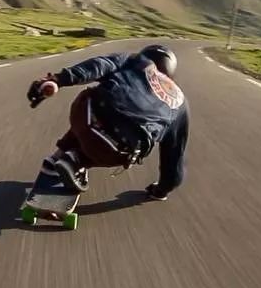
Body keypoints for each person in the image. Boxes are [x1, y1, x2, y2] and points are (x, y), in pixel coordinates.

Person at [26, 44, 190, 200]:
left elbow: (98, 65)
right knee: (128, 144)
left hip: (87, 117)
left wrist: (58, 80)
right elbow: (174, 159)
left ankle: (61, 155)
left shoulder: (135, 60)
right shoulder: (180, 103)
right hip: (118, 149)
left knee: (92, 97)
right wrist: (161, 190)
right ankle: (77, 160)